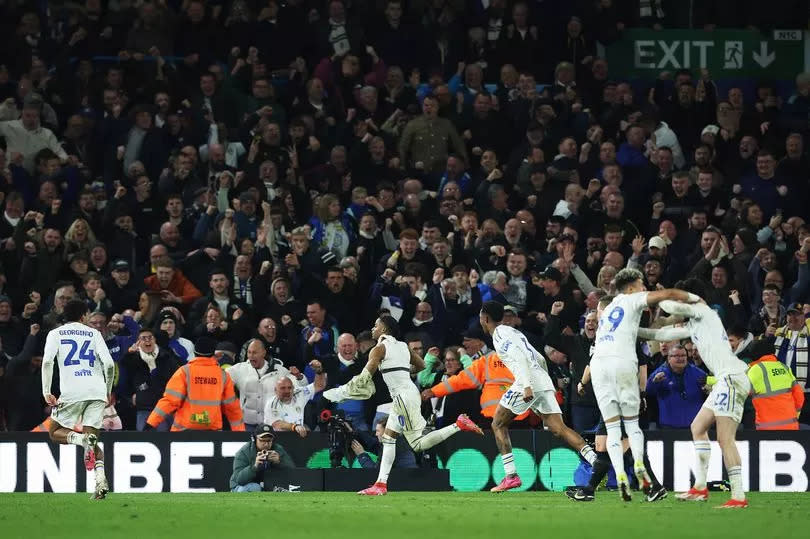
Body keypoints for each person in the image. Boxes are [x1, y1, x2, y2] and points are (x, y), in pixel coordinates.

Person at [638, 278, 751, 508]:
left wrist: (663, 295)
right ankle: (700, 487)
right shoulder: (695, 322)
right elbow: (661, 335)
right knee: (698, 428)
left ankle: (738, 496)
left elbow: (673, 308)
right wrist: (631, 330)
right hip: (724, 380)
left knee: (724, 438)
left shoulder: (703, 310)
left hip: (731, 378)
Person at [591, 268, 698, 501]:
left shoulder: (609, 312)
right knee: (631, 425)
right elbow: (663, 294)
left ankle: (620, 474)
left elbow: (653, 334)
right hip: (622, 363)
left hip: (599, 365)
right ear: (630, 288)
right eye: (641, 285)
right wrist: (691, 299)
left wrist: (687, 330)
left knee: (611, 429)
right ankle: (639, 464)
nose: (644, 289)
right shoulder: (632, 299)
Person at [478, 301, 597, 492]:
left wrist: (527, 386)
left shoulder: (499, 335)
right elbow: (539, 357)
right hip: (541, 379)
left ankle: (511, 476)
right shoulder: (513, 332)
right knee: (559, 428)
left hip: (528, 382)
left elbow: (520, 357)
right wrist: (544, 383)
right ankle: (596, 461)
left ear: (485, 318)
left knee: (497, 424)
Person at [357, 315, 483, 495]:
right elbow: (423, 365)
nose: (373, 329)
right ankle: (380, 484)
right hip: (404, 396)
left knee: (416, 444)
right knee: (389, 439)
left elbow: (368, 372)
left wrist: (354, 385)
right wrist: (404, 370)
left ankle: (458, 425)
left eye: (376, 325)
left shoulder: (380, 348)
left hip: (403, 397)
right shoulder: (401, 346)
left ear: (384, 330)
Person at [41, 299, 115, 500]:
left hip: (73, 391)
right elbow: (108, 365)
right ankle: (100, 483)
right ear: (83, 316)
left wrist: (46, 390)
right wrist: (107, 391)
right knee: (92, 442)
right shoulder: (94, 333)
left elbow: (48, 362)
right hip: (97, 390)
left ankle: (80, 439)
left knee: (54, 432)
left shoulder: (55, 334)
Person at [144, 336, 245, 432]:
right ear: (212, 354)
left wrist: (151, 423)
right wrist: (240, 433)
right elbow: (232, 408)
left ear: (195, 353)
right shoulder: (222, 375)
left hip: (184, 431)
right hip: (212, 432)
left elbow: (170, 401)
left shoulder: (184, 372)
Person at [230, 424, 294, 492]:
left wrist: (279, 462)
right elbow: (239, 480)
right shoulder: (244, 451)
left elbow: (292, 470)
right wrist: (254, 466)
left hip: (268, 485)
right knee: (255, 488)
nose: (266, 444)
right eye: (262, 440)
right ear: (254, 439)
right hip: (242, 486)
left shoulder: (277, 449)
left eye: (269, 441)